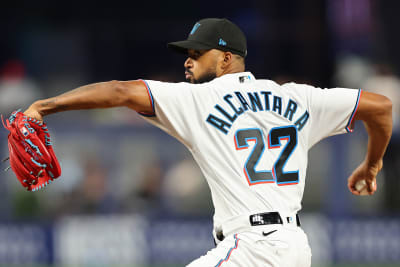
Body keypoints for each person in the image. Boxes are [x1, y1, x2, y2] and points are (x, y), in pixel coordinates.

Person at [23, 18, 392, 267]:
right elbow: (381, 107)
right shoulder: (300, 99)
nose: (189, 62)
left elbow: (121, 91)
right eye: (188, 55)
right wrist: (371, 164)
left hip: (252, 248)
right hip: (295, 249)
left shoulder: (201, 99)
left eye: (198, 54)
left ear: (227, 58)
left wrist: (46, 105)